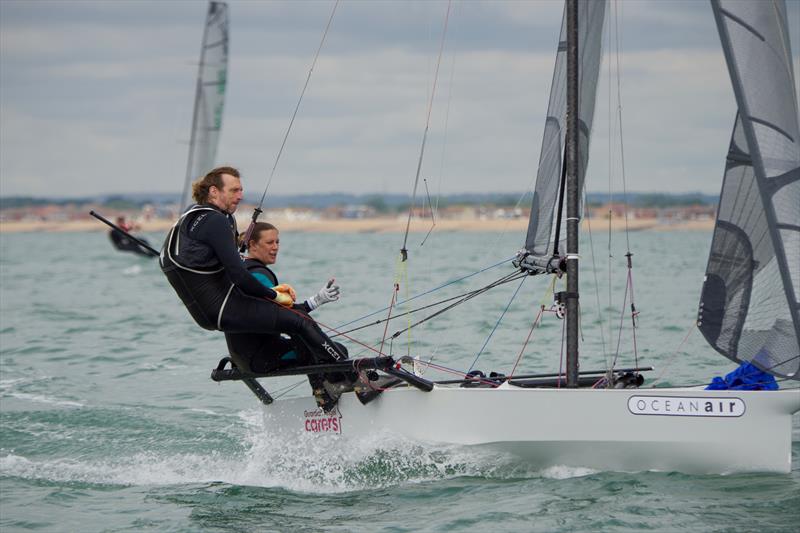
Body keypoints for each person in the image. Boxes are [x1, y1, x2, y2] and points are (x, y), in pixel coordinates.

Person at [159, 166, 351, 411]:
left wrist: (313, 300)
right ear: (214, 191)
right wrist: (276, 295)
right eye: (234, 190)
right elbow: (239, 276)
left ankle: (327, 395)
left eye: (241, 190)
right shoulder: (215, 221)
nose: (240, 195)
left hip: (210, 314)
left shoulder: (192, 217)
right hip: (224, 310)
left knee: (303, 330)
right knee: (300, 322)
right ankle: (352, 379)